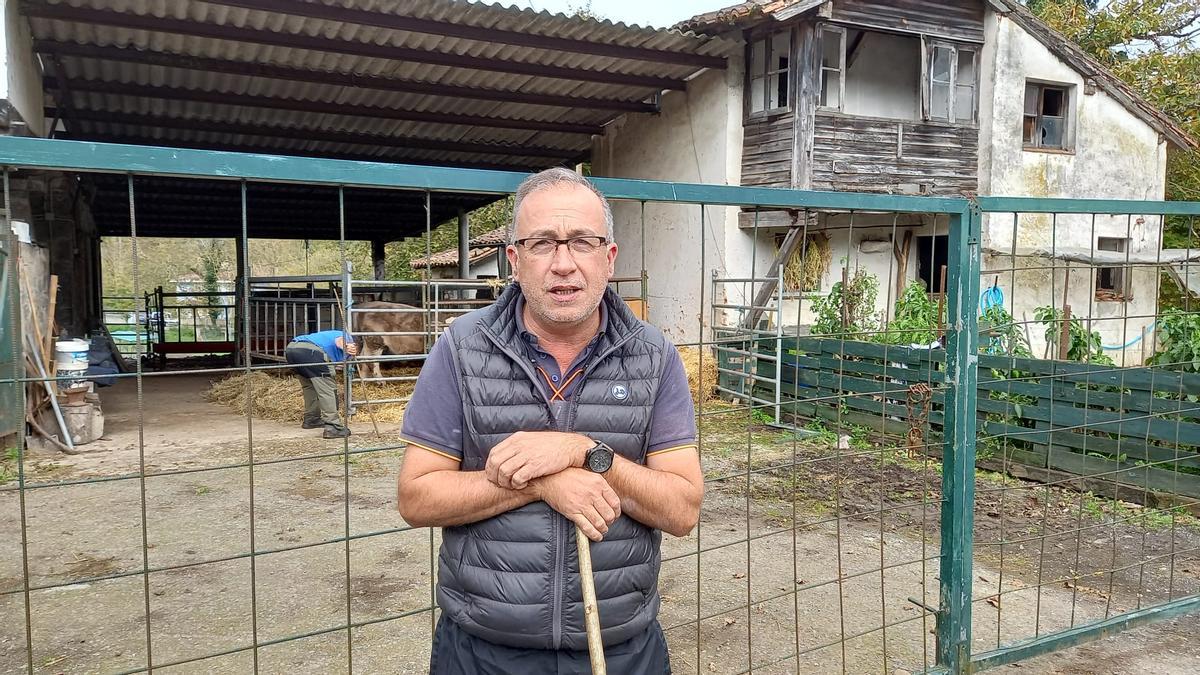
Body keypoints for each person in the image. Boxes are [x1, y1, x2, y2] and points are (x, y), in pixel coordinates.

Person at [396, 167, 704, 673]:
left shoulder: (655, 356)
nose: (563, 264)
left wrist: (586, 452)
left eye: (582, 242)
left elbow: (682, 510)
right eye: (542, 244)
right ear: (514, 260)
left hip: (621, 649)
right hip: (483, 652)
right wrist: (544, 484)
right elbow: (417, 497)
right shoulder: (460, 349)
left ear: (609, 258)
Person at [284, 329, 358, 439]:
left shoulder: (327, 336)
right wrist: (347, 346)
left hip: (292, 349)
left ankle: (311, 419)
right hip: (312, 352)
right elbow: (340, 341)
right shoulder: (348, 338)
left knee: (309, 386)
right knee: (328, 388)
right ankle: (333, 426)